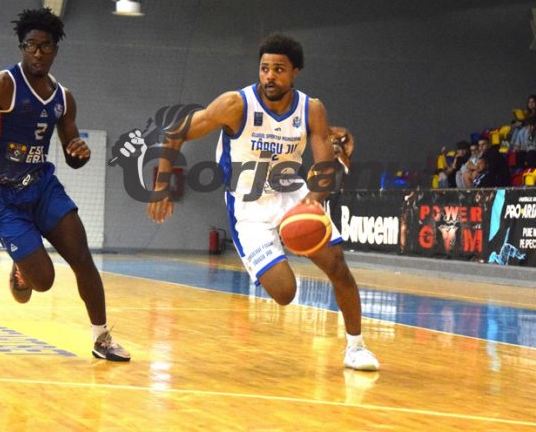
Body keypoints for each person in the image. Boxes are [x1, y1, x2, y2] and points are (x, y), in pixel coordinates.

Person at [146, 33, 378, 371]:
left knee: (338, 266)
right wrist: (161, 186)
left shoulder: (311, 109)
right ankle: (277, 247)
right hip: (249, 206)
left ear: (295, 72)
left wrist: (312, 202)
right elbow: (175, 132)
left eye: (279, 69)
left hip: (292, 194)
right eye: (264, 68)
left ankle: (356, 347)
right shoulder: (235, 105)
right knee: (284, 293)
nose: (269, 76)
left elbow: (324, 166)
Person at [0, 8, 130, 362]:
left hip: (42, 185)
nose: (38, 53)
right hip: (2, 191)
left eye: (46, 46)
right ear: (22, 47)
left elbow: (73, 156)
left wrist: (80, 153)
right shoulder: (3, 85)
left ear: (55, 49)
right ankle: (24, 269)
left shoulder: (63, 98)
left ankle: (102, 338)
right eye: (31, 45)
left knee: (82, 257)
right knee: (43, 282)